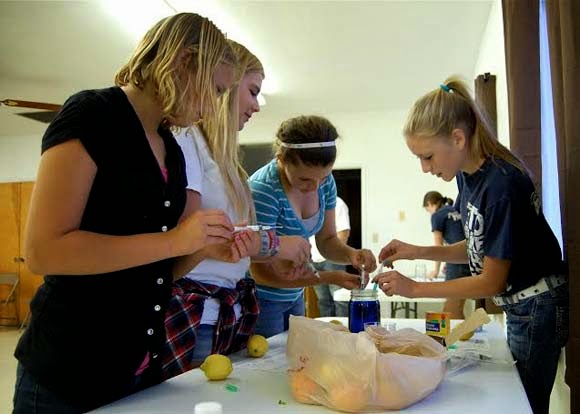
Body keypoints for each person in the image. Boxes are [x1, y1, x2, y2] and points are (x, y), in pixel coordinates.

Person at [12, 13, 240, 413]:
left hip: (136, 369)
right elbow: (43, 251)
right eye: (216, 90)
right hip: (67, 371)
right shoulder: (93, 113)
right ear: (185, 62)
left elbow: (155, 273)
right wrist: (174, 240)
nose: (214, 106)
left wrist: (202, 249)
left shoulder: (171, 148)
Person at [373, 77, 568, 414]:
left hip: (538, 305)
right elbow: (478, 246)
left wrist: (414, 288)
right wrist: (415, 250)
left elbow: (491, 281)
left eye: (428, 156)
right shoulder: (469, 176)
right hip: (520, 304)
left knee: (522, 405)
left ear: (458, 138)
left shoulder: (502, 184)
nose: (425, 168)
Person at [162, 41, 311, 379]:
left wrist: (269, 252)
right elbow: (191, 238)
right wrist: (275, 244)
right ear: (226, 85)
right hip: (195, 316)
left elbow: (231, 238)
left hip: (225, 313)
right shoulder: (186, 140)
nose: (256, 106)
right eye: (253, 91)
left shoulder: (226, 161)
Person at [249, 115, 377, 338]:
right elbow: (260, 272)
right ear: (281, 159)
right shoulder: (263, 190)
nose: (315, 187)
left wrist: (352, 255)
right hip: (261, 299)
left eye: (323, 177)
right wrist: (330, 277)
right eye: (304, 180)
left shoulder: (325, 183)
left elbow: (327, 241)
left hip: (294, 294)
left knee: (296, 354)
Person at [423, 191, 471, 318]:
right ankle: (463, 330)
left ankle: (459, 331)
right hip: (471, 260)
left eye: (427, 210)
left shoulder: (437, 215)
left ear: (430, 204)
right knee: (457, 306)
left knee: (451, 310)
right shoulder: (455, 210)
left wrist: (436, 270)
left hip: (457, 262)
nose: (429, 213)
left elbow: (438, 248)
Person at [310, 196, 350, 317]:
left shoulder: (338, 203)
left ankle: (343, 327)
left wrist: (335, 254)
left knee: (339, 298)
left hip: (332, 260)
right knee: (323, 300)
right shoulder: (311, 202)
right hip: (313, 259)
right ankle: (327, 327)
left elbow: (344, 232)